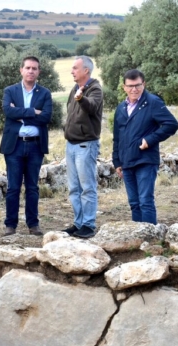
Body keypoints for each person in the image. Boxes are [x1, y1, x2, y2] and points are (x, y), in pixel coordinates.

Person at [113, 69, 178, 224]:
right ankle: (138, 238)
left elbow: (171, 124)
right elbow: (117, 137)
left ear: (144, 84)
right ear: (124, 87)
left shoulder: (153, 102)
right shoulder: (121, 108)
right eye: (130, 86)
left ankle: (150, 240)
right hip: (127, 162)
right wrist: (117, 161)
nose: (134, 89)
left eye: (137, 85)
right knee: (134, 203)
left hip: (145, 160)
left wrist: (150, 139)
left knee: (145, 201)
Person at [0, 56, 52, 236]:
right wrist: (33, 112)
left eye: (34, 68)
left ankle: (33, 224)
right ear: (21, 70)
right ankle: (10, 225)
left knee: (32, 187)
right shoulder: (10, 91)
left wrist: (20, 114)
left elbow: (46, 117)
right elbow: (8, 111)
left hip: (35, 147)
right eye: (28, 68)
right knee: (13, 187)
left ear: (39, 72)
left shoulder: (44, 93)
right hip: (14, 146)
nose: (31, 71)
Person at [63, 55, 103, 239]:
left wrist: (82, 99)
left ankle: (88, 225)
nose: (72, 71)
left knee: (87, 187)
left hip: (85, 145)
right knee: (74, 187)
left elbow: (92, 107)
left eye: (75, 68)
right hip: (71, 145)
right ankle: (78, 223)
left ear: (86, 70)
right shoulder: (74, 88)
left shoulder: (94, 88)